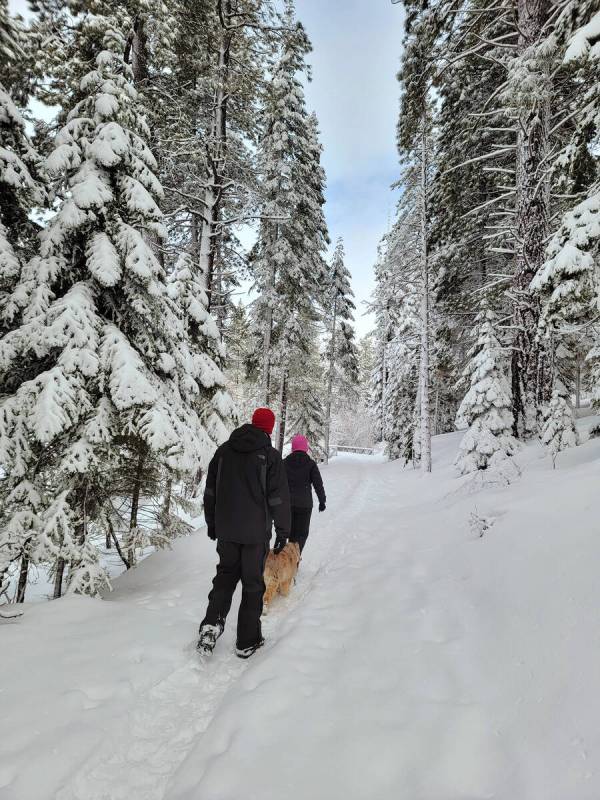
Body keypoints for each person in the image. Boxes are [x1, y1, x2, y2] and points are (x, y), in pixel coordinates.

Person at [197, 408, 291, 659]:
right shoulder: (270, 457)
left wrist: (212, 523)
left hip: (227, 531)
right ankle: (247, 641)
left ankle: (210, 625)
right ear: (269, 429)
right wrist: (283, 531)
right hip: (255, 534)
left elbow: (211, 492)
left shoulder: (224, 452)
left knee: (226, 577)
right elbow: (278, 498)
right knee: (252, 584)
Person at [283, 434, 326, 554]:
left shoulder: (285, 462)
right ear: (305, 448)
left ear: (293, 447)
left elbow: (278, 483)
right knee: (302, 534)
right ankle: (295, 557)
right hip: (305, 505)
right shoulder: (310, 464)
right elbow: (318, 484)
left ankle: (289, 558)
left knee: (291, 533)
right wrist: (322, 501)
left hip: (288, 504)